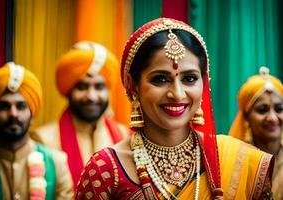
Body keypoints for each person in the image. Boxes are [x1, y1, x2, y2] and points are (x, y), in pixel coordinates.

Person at [75, 18, 274, 200]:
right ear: (133, 85)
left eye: (189, 79)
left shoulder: (241, 163)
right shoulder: (105, 170)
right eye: (160, 79)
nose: (177, 94)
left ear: (204, 83)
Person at [31, 41, 130, 187]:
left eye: (99, 87)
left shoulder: (124, 136)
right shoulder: (43, 140)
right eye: (82, 87)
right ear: (69, 90)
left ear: (108, 89)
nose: (91, 96)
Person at [0, 62, 74, 199]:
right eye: (3, 106)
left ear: (32, 115)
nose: (13, 114)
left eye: (21, 106)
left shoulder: (57, 163)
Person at [229, 66, 283, 200]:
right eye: (262, 110)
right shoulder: (235, 161)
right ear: (246, 117)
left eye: (279, 109)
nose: (272, 117)